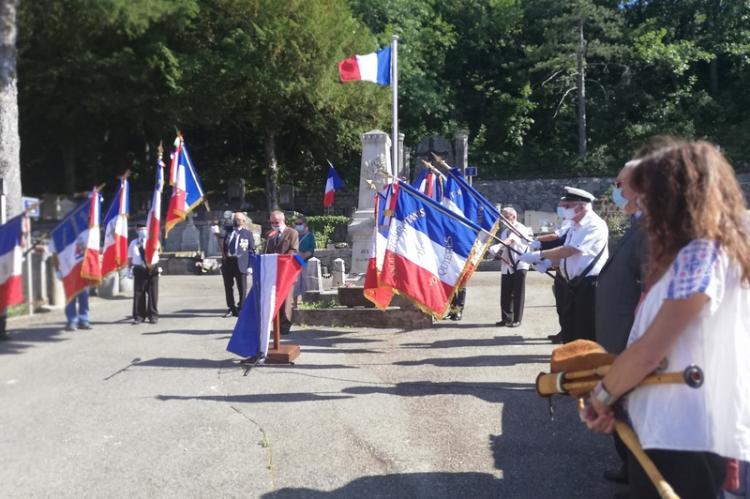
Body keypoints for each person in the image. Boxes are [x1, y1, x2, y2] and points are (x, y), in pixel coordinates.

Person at [583, 140, 750, 499]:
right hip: (685, 427)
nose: (641, 203)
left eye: (648, 194)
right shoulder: (717, 247)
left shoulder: (701, 253)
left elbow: (650, 351)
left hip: (681, 432)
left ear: (673, 195)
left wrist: (602, 395)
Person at [594, 160, 649, 489]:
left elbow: (647, 289)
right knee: (625, 415)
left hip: (631, 340)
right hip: (619, 338)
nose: (615, 190)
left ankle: (636, 479)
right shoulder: (636, 226)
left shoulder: (649, 233)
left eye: (620, 184)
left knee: (632, 415)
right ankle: (630, 471)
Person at [521, 186, 608, 343]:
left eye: (567, 206)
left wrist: (539, 255)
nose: (564, 210)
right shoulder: (575, 225)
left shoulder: (594, 225)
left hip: (588, 284)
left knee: (585, 330)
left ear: (581, 206)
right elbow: (567, 257)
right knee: (569, 329)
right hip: (572, 283)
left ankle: (585, 365)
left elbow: (570, 250)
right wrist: (548, 263)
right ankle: (571, 363)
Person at [492, 206, 533, 327]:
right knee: (505, 293)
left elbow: (511, 240)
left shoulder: (520, 228)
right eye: (502, 216)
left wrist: (498, 246)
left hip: (520, 264)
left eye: (505, 216)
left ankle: (517, 319)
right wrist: (497, 253)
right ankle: (506, 318)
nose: (503, 218)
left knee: (518, 293)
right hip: (507, 265)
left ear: (513, 216)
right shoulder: (505, 231)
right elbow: (505, 247)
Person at [264, 210, 299, 334]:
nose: (274, 224)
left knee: (286, 301)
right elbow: (266, 251)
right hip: (273, 272)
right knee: (274, 300)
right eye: (272, 222)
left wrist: (280, 259)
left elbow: (293, 251)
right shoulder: (270, 234)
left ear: (282, 220)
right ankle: (276, 326)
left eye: (276, 222)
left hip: (287, 272)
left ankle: (285, 327)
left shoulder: (292, 233)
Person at [215, 212, 254, 317]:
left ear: (243, 221)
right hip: (228, 262)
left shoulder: (247, 234)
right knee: (228, 287)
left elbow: (251, 250)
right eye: (234, 219)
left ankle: (241, 307)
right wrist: (215, 229)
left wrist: (250, 265)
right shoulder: (227, 231)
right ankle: (231, 308)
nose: (236, 221)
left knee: (242, 287)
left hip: (241, 263)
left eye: (238, 219)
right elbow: (220, 235)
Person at [128, 222, 160, 324]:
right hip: (139, 269)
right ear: (137, 230)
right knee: (139, 293)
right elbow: (130, 257)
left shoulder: (155, 241)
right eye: (140, 228)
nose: (142, 230)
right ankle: (139, 316)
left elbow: (157, 254)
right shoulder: (133, 243)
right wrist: (128, 269)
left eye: (144, 228)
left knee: (152, 293)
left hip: (152, 268)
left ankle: (153, 315)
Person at [292, 216, 315, 308]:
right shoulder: (293, 235)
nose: (298, 225)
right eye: (296, 224)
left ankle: (306, 303)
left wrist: (303, 255)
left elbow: (311, 249)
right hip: (294, 262)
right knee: (295, 283)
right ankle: (295, 303)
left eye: (300, 224)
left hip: (304, 262)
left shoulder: (309, 236)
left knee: (306, 283)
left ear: (305, 224)